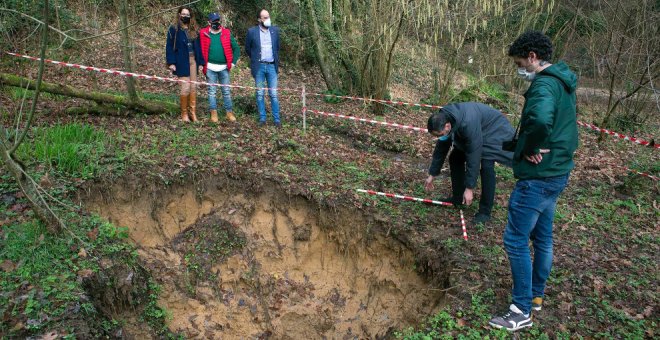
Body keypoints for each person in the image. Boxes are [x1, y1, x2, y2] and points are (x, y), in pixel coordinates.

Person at [488, 31, 578, 331]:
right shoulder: (563, 83)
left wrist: (528, 148)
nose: (519, 69)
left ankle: (521, 310)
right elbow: (555, 125)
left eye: (519, 63)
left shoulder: (544, 85)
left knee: (515, 240)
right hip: (557, 173)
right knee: (542, 238)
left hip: (538, 178)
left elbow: (540, 120)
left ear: (532, 57)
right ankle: (536, 296)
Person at [424, 102, 515, 224]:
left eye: (439, 135)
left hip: (495, 131)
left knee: (486, 165)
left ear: (447, 126)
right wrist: (432, 174)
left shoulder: (467, 123)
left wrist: (469, 188)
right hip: (477, 129)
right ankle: (458, 198)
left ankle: (485, 212)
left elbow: (474, 154)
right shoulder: (445, 116)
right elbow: (442, 146)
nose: (438, 137)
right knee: (455, 157)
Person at [198, 12, 240, 123]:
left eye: (217, 21)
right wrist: (200, 63)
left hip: (224, 68)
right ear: (209, 22)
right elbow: (198, 48)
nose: (216, 23)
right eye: (213, 21)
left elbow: (236, 48)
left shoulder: (226, 32)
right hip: (210, 68)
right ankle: (213, 112)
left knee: (226, 91)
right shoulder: (203, 33)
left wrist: (233, 63)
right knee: (212, 91)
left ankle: (229, 112)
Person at [166, 6, 204, 122]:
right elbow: (169, 46)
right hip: (181, 61)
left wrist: (201, 62)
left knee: (193, 87)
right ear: (179, 14)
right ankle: (184, 114)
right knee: (185, 87)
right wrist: (171, 62)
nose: (185, 16)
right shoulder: (174, 29)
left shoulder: (194, 29)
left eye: (187, 14)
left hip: (193, 61)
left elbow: (198, 47)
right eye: (183, 14)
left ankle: (192, 113)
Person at [245, 9, 282, 127]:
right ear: (259, 19)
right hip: (259, 68)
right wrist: (256, 59)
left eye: (268, 16)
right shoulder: (252, 32)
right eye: (265, 17)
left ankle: (277, 120)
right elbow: (248, 49)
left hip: (271, 67)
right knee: (260, 93)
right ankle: (262, 118)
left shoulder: (275, 31)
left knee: (274, 94)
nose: (267, 19)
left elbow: (277, 47)